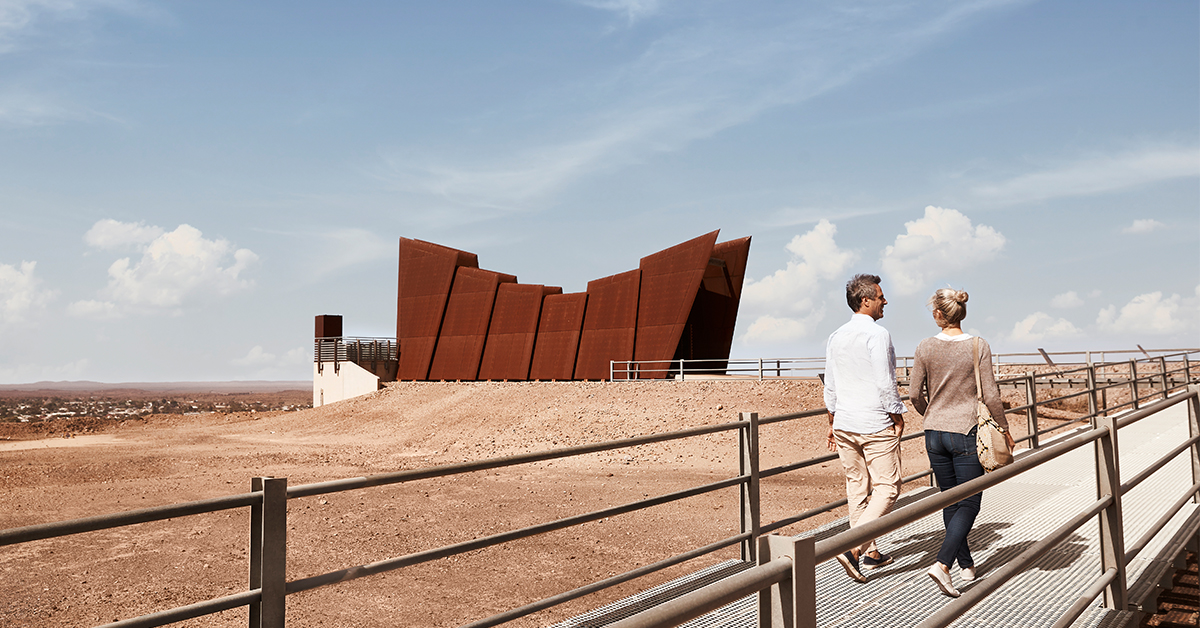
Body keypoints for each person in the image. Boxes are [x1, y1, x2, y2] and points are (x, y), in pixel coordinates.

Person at [909, 288, 1015, 598]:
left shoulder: (924, 347)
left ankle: (965, 564)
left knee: (950, 499)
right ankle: (942, 565)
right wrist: (1005, 428)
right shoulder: (977, 346)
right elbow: (992, 395)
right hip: (966, 431)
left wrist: (930, 414)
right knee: (969, 502)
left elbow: (915, 394)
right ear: (961, 313)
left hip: (934, 433)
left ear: (937, 315)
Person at [823, 273, 906, 583]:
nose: (885, 301)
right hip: (873, 422)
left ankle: (868, 553)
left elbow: (829, 383)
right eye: (881, 296)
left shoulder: (835, 336)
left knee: (857, 487)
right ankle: (853, 549)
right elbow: (885, 382)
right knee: (888, 487)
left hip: (844, 422)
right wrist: (897, 413)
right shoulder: (878, 334)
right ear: (866, 300)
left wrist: (831, 421)